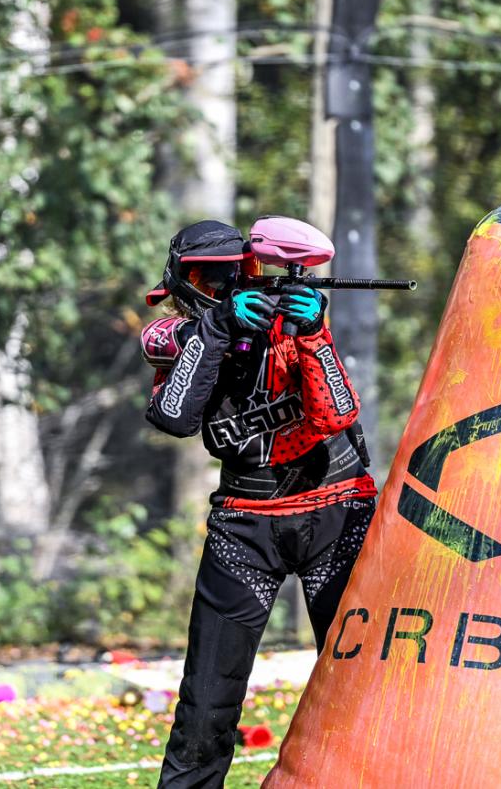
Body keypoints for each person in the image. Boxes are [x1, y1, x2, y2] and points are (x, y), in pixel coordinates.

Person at [141, 219, 377, 788]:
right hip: (244, 526)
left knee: (359, 681)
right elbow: (174, 417)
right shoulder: (174, 335)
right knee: (206, 698)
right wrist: (216, 328)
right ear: (182, 282)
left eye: (236, 273)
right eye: (210, 278)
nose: (225, 286)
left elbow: (338, 415)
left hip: (336, 513)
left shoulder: (287, 319)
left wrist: (313, 333)